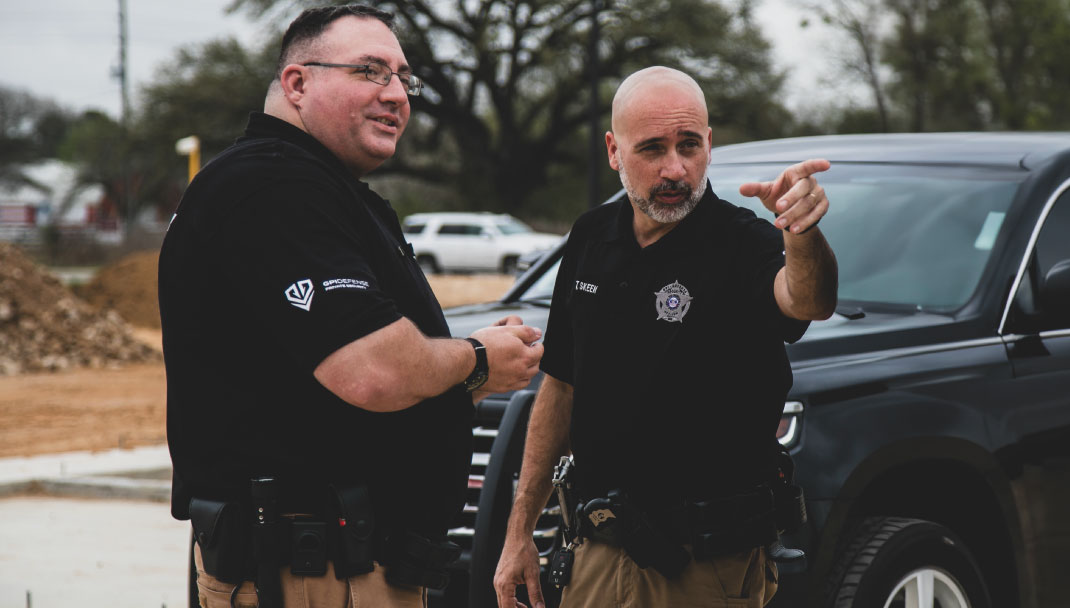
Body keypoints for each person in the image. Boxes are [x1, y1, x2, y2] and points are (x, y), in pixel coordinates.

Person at [158, 5, 543, 607]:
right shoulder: (273, 187)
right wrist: (475, 358)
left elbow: (312, 404)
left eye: (402, 78)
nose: (396, 94)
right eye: (369, 71)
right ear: (297, 83)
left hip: (345, 567)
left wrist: (469, 366)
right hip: (313, 575)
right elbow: (372, 373)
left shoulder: (318, 189)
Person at [493, 66, 838, 608]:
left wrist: (802, 232)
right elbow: (559, 385)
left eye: (689, 145)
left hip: (706, 566)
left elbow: (809, 301)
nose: (675, 168)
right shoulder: (590, 237)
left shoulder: (742, 242)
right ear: (613, 150)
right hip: (596, 555)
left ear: (708, 144)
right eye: (652, 148)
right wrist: (518, 536)